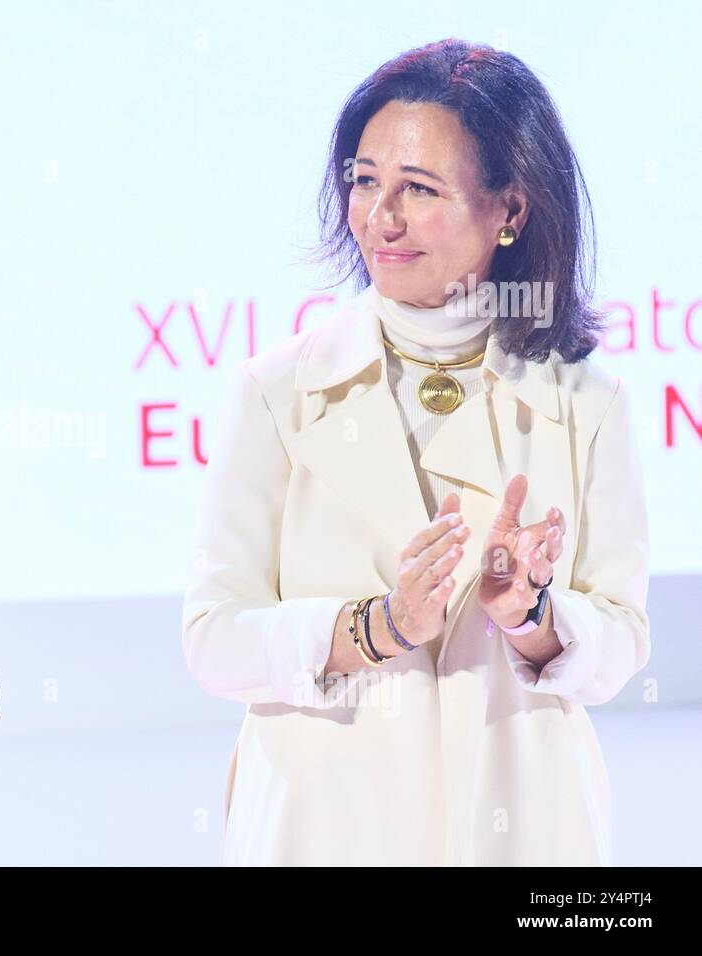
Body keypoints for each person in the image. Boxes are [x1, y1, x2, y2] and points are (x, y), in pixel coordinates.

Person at [182, 39, 649, 865]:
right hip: (319, 830)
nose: (380, 218)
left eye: (419, 190)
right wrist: (377, 627)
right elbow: (215, 641)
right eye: (365, 181)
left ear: (510, 209)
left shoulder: (588, 400)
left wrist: (532, 619)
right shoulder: (276, 389)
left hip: (524, 827)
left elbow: (619, 649)